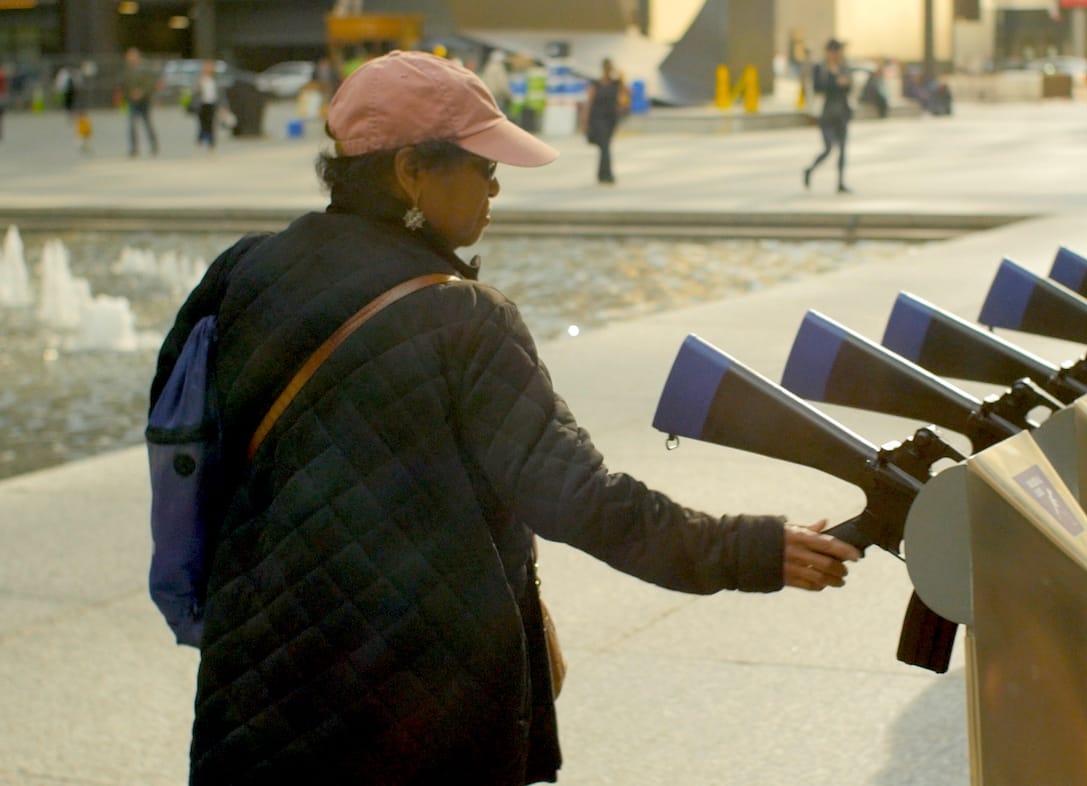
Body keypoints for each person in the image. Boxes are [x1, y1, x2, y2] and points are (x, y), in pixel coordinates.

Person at [149, 50, 860, 785]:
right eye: (482, 165)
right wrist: (747, 549)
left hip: (257, 686)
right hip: (413, 707)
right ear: (411, 174)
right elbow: (581, 499)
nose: (496, 186)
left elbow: (193, 457)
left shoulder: (242, 272)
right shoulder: (462, 316)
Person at [803, 39, 854, 194]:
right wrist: (836, 84)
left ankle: (840, 182)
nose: (835, 54)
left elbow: (850, 88)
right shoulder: (821, 68)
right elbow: (818, 88)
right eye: (833, 51)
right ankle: (810, 170)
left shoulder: (844, 67)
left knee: (843, 149)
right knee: (828, 148)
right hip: (826, 114)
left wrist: (846, 84)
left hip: (842, 113)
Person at [583, 57, 628, 185]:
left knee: (606, 146)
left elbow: (626, 93)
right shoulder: (596, 84)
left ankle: (602, 174)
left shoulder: (616, 83)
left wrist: (619, 74)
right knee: (605, 147)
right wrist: (585, 121)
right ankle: (607, 175)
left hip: (611, 118)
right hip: (597, 118)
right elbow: (589, 103)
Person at [120, 47, 159, 157]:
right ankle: (134, 148)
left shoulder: (145, 68)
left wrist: (142, 92)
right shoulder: (127, 69)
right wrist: (128, 94)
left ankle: (154, 145)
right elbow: (124, 84)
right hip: (132, 101)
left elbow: (151, 83)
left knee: (147, 124)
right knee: (131, 124)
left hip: (144, 100)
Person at [193, 60, 220, 153]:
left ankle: (211, 144)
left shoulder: (214, 80)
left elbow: (219, 94)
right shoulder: (200, 80)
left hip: (211, 104)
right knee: (203, 124)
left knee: (211, 124)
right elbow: (195, 93)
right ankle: (200, 140)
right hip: (202, 105)